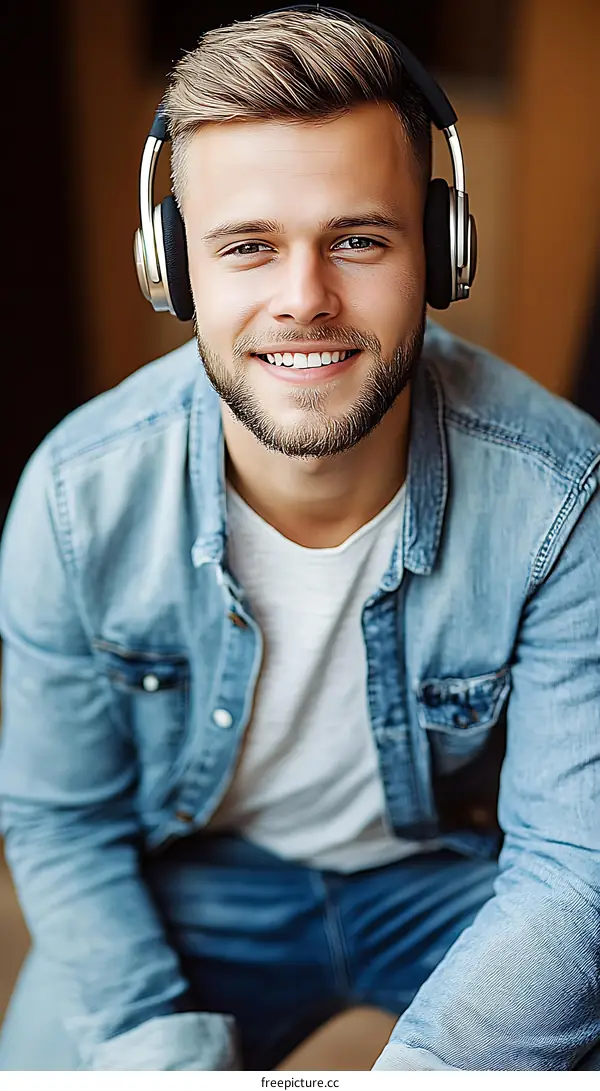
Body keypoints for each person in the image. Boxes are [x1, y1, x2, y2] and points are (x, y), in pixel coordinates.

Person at [0, 5, 599, 1073]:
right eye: (248, 247)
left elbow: (577, 860)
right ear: (173, 268)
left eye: (359, 239)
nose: (304, 300)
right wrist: (158, 1051)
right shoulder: (73, 498)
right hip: (205, 882)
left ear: (442, 250)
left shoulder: (564, 492)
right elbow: (61, 824)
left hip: (457, 874)